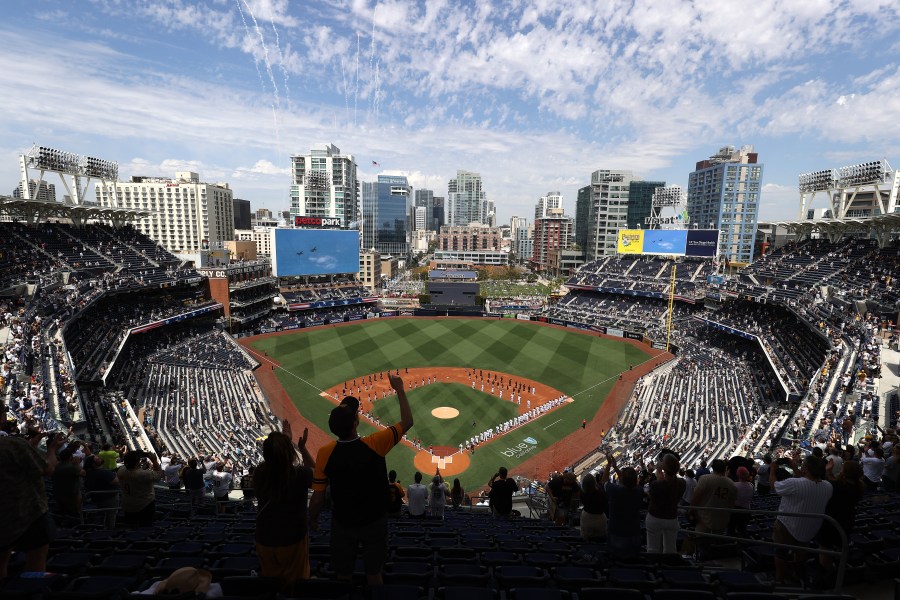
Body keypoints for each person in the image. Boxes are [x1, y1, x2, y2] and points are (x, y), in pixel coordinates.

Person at [309, 374, 414, 588]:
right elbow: (407, 422)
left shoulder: (324, 453)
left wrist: (311, 520)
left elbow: (318, 498)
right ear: (356, 422)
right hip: (374, 520)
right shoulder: (375, 443)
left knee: (343, 574)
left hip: (343, 521)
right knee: (374, 573)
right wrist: (400, 390)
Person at [254, 422, 315, 589]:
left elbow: (275, 464)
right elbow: (318, 476)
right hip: (292, 539)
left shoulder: (259, 473)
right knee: (295, 585)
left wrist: (284, 443)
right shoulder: (300, 474)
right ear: (290, 453)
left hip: (264, 538)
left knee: (272, 583)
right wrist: (301, 447)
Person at [0, 432, 64, 579]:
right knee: (36, 564)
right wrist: (52, 449)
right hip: (27, 515)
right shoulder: (11, 444)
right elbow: (47, 468)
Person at [770, 453, 833, 586]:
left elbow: (774, 485)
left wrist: (773, 469)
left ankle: (779, 579)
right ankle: (796, 575)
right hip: (810, 527)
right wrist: (794, 468)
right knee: (801, 552)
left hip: (786, 525)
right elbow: (806, 482)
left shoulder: (793, 483)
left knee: (780, 552)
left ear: (805, 469)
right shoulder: (828, 486)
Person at [690, 459, 736, 558]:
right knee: (716, 543)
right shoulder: (731, 483)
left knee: (701, 543)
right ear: (724, 469)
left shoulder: (704, 479)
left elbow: (695, 497)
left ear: (713, 468)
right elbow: (732, 502)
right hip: (721, 518)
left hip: (704, 517)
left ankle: (700, 560)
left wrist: (691, 511)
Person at [602, 454, 643, 557]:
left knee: (616, 558)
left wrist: (609, 464)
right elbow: (627, 481)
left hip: (617, 532)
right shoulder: (639, 491)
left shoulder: (615, 491)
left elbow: (604, 481)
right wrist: (615, 467)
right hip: (634, 532)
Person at [645, 453, 685, 554]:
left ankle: (654, 567)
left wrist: (658, 472)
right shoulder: (682, 483)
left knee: (652, 549)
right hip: (672, 518)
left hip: (655, 517)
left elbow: (655, 495)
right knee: (671, 549)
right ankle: (669, 567)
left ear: (664, 467)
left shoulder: (656, 484)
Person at [118, 449, 163, 526]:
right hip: (144, 505)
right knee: (145, 526)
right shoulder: (143, 474)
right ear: (137, 462)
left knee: (131, 526)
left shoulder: (121, 470)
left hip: (127, 504)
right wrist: (154, 461)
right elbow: (159, 475)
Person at [84, 453, 119, 529]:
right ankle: (109, 531)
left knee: (103, 515)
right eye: (96, 459)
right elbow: (115, 481)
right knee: (110, 516)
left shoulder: (89, 472)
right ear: (93, 464)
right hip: (109, 498)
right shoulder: (103, 472)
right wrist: (115, 475)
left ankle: (102, 529)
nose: (99, 458)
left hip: (98, 498)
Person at [579, 472, 608, 541]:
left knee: (586, 539)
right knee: (601, 539)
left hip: (586, 516)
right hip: (600, 517)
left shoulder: (582, 493)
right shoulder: (601, 492)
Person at [728, 466, 754, 537]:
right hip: (746, 510)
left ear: (738, 475)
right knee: (742, 528)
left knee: (731, 528)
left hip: (735, 510)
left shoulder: (734, 485)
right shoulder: (751, 485)